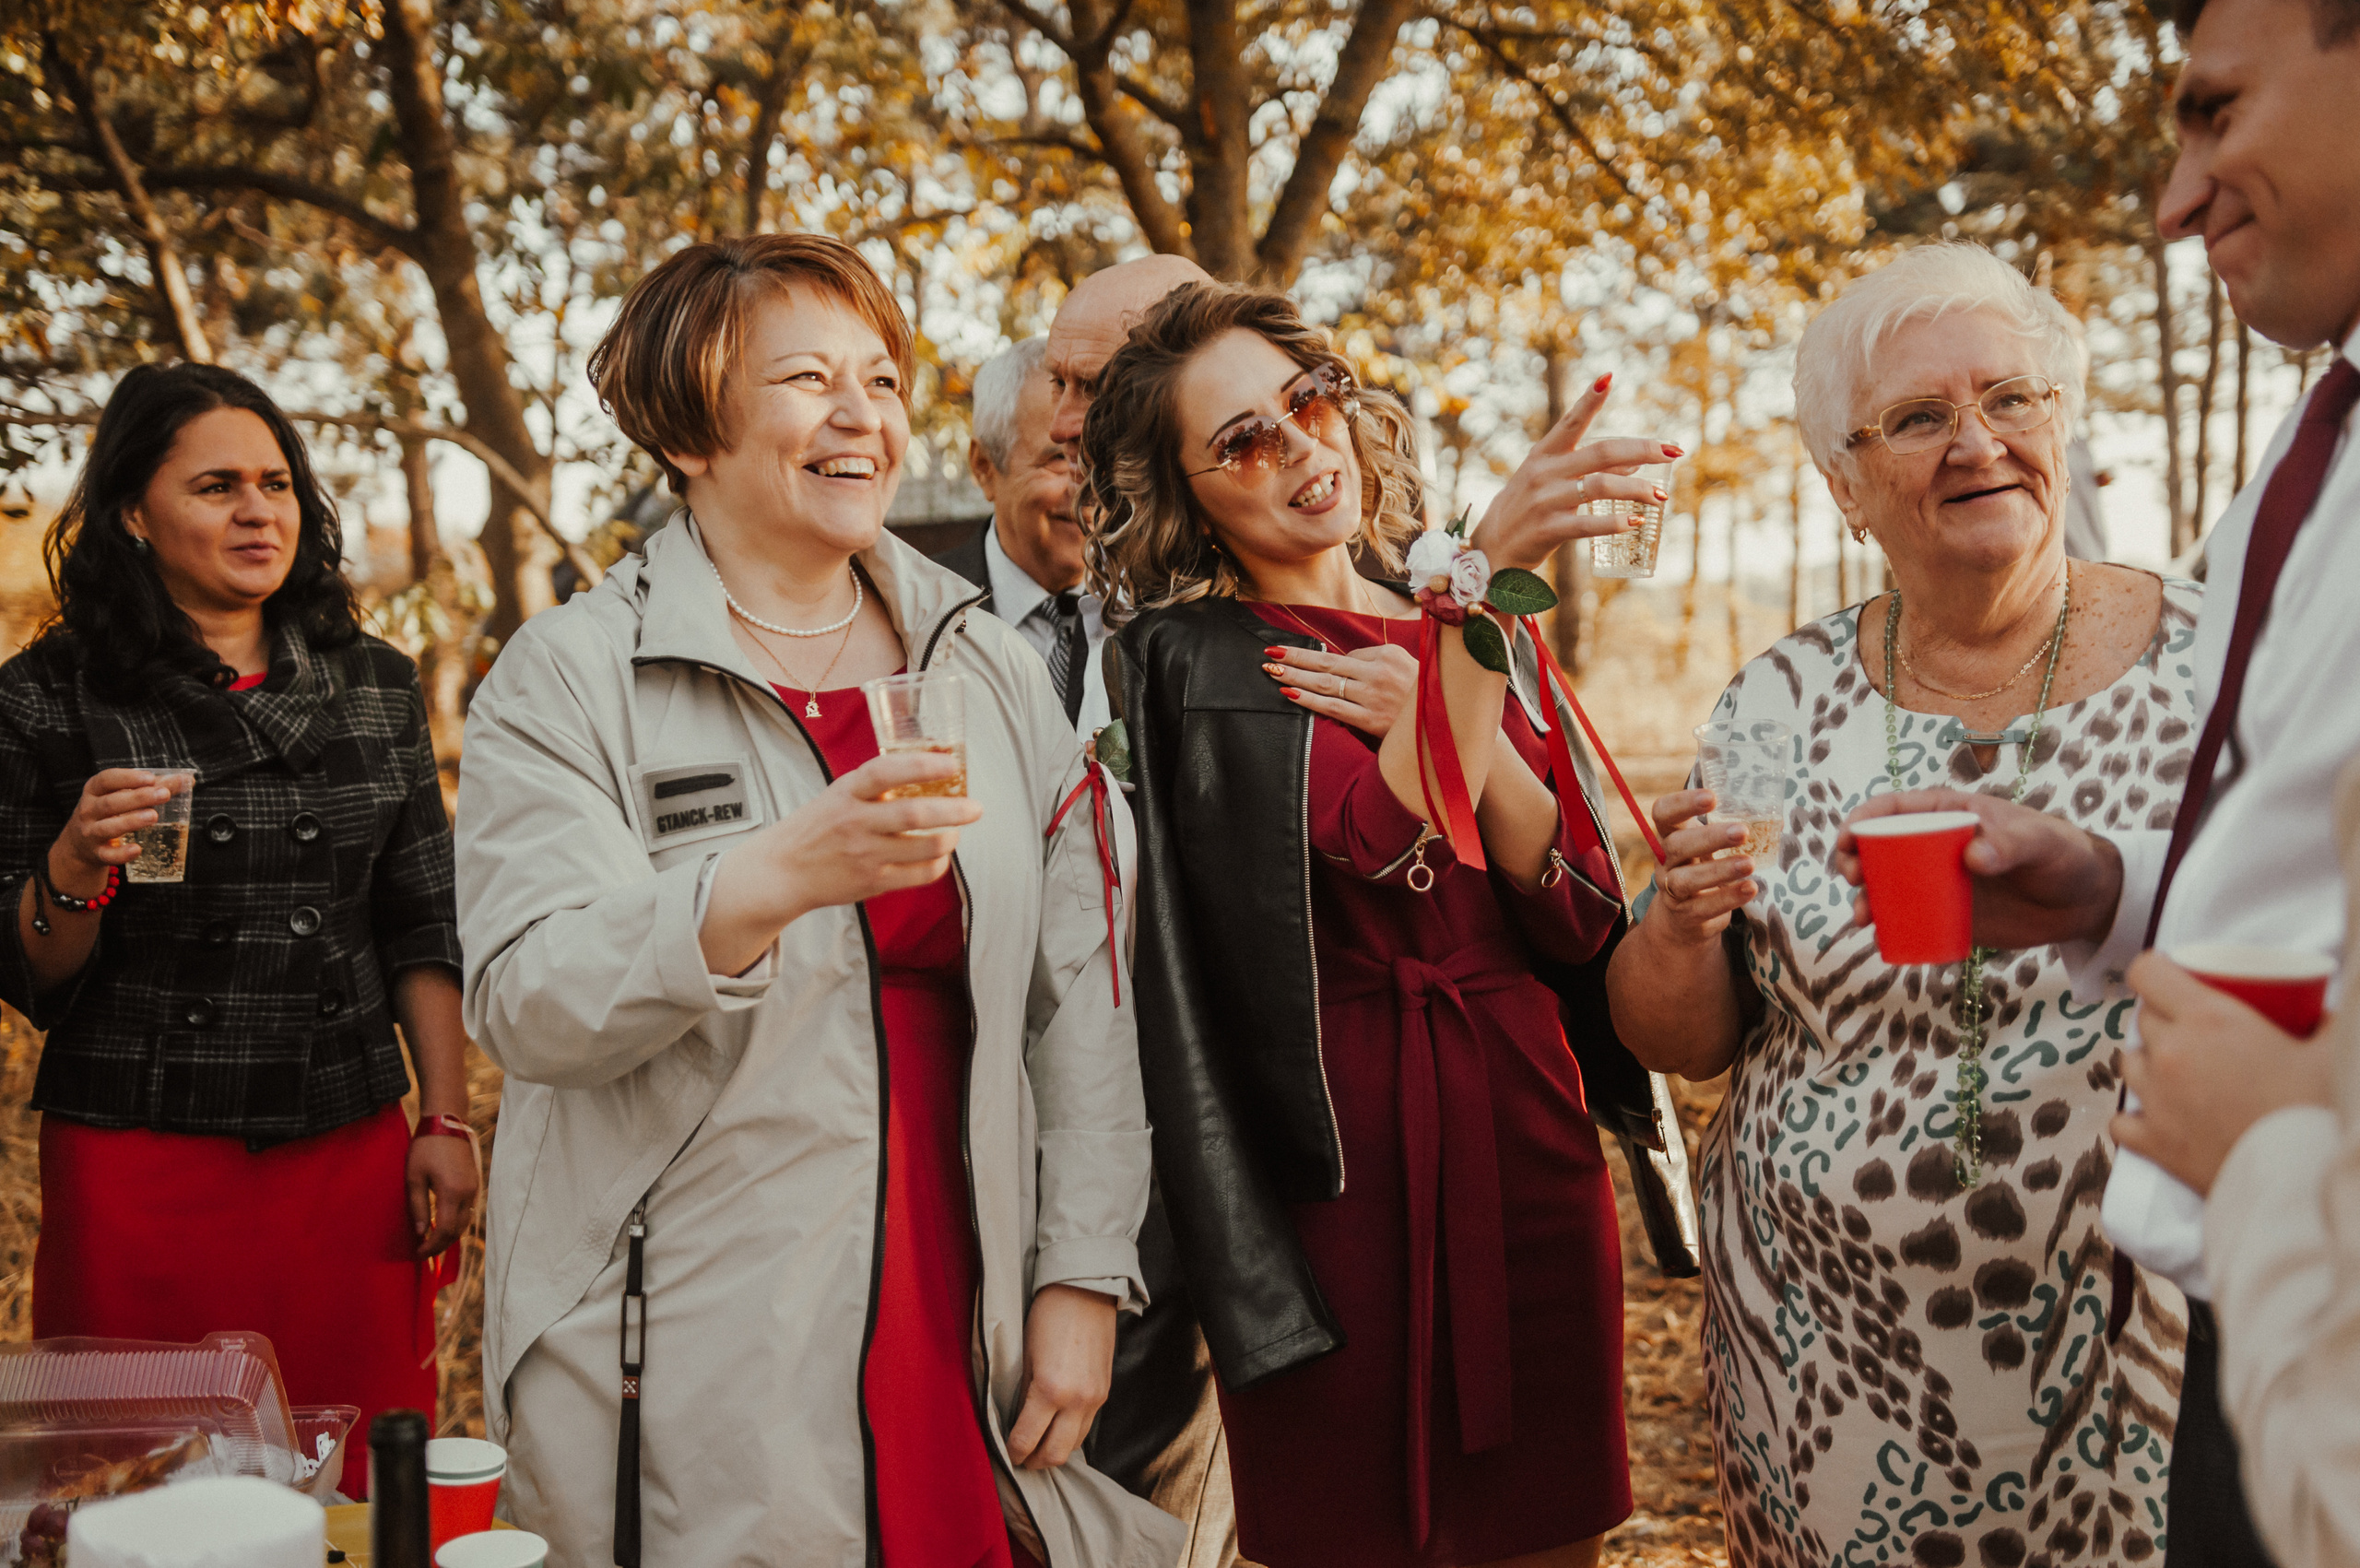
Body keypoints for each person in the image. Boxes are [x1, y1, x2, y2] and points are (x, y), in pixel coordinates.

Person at [455, 232, 1178, 1567]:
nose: (863, 417)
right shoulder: (570, 674)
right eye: (806, 380)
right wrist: (771, 875)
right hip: (693, 1316)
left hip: (968, 1284)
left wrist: (1079, 1272)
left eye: (883, 380)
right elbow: (528, 1000)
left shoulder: (986, 664)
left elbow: (1084, 987)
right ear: (691, 430)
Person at [1609, 242, 2202, 1566]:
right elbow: (1684, 1039)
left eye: (2013, 398)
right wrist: (1677, 926)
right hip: (1826, 1358)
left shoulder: (2216, 665)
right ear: (1844, 484)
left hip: (2141, 1341)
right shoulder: (1774, 701)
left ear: (2064, 419)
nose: (1976, 441)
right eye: (1920, 418)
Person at [1093, 280, 1670, 1568]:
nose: (1299, 446)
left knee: (1545, 1526)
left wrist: (1441, 669)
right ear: (1191, 496)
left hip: (1520, 1115)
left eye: (1308, 402)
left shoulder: (1460, 630)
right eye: (1243, 439)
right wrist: (1482, 587)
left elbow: (1575, 906)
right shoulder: (1198, 660)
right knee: (1351, 1530)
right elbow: (1391, 843)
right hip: (1335, 1156)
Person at [1957, 0, 2358, 1562]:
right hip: (2252, 1320)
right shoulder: (2311, 448)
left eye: (2216, 114)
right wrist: (2118, 889)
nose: (2175, 200)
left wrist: (2289, 1146)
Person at [0, 361, 474, 1490]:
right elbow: (31, 974)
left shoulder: (375, 684)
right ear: (130, 511)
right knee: (130, 1490)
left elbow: (421, 921)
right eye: (217, 486)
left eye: (277, 483)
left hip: (346, 1157)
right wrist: (71, 866)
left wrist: (446, 1118)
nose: (260, 511)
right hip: (140, 1167)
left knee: (355, 1480)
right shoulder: (47, 694)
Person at [939, 336, 1109, 736]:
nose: (1089, 490)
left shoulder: (1153, 612)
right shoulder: (923, 611)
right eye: (1060, 459)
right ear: (984, 467)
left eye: (1102, 459)